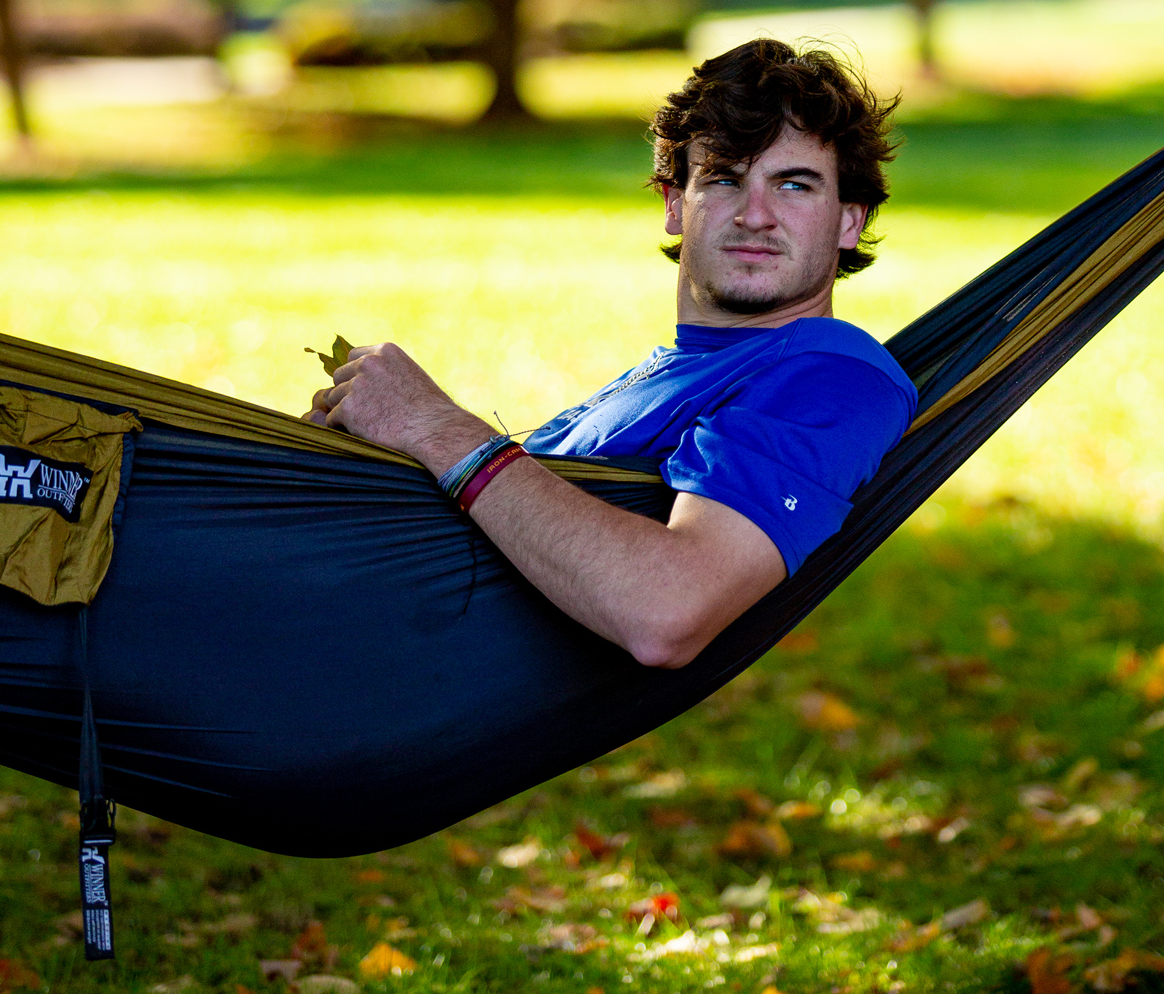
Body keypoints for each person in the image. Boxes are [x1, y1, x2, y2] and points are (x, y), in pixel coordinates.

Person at [305, 38, 915, 671]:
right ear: (676, 205)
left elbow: (668, 611)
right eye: (725, 178)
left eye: (794, 184)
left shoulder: (830, 376)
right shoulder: (680, 369)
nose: (755, 214)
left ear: (849, 221)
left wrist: (439, 430)